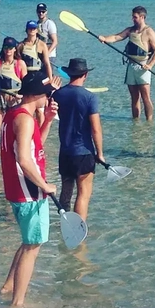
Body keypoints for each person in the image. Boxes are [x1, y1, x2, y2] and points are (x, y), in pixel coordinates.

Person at [0, 72, 58, 307]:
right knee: (33, 245)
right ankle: (17, 305)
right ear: (36, 95)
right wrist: (44, 185)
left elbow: (35, 146)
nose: (49, 99)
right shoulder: (23, 119)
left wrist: (49, 120)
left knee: (27, 242)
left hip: (19, 189)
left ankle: (6, 288)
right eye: (47, 95)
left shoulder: (16, 113)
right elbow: (24, 159)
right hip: (29, 191)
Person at [53, 58, 104, 220]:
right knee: (83, 194)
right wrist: (100, 153)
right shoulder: (90, 97)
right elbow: (95, 129)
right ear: (86, 75)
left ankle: (64, 225)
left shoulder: (58, 94)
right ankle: (79, 232)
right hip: (84, 152)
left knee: (66, 192)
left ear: (69, 74)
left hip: (65, 152)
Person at [99, 6, 155, 120]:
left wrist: (150, 65)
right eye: (133, 17)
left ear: (142, 17)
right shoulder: (130, 30)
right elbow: (116, 37)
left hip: (143, 67)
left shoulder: (150, 32)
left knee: (146, 97)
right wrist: (104, 38)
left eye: (135, 17)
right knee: (134, 97)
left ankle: (149, 121)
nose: (133, 19)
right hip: (131, 66)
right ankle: (136, 121)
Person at [0, 37, 26, 151]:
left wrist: (21, 95)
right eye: (6, 47)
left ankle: (14, 152)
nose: (8, 50)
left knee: (14, 131)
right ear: (3, 48)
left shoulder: (20, 64)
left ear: (14, 49)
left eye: (10, 48)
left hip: (15, 101)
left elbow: (26, 85)